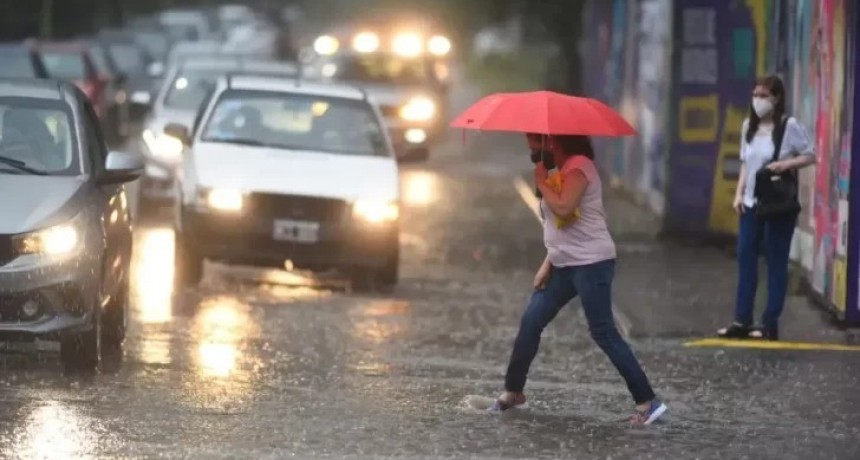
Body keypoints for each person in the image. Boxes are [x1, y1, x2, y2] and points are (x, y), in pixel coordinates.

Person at [491, 134, 667, 426]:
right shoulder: (559, 171)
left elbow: (562, 206)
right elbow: (563, 226)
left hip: (592, 264)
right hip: (562, 265)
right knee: (531, 321)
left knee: (603, 333)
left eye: (536, 146)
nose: (532, 152)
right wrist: (547, 263)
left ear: (553, 144)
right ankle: (513, 392)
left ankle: (648, 402)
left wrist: (540, 181)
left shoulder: (580, 167)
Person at [718, 75, 816, 341]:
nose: (758, 100)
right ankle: (742, 320)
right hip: (751, 203)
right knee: (746, 258)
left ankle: (769, 322)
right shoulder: (748, 126)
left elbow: (810, 154)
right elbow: (745, 164)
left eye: (764, 95)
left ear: (776, 98)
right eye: (756, 95)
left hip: (777, 205)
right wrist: (739, 194)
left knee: (775, 261)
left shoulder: (788, 126)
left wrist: (785, 165)